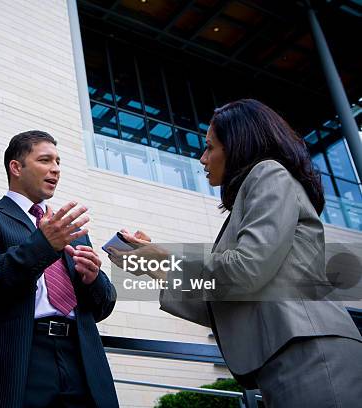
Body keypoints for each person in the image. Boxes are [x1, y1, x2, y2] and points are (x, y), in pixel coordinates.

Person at [113, 99, 362, 408]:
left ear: (238, 146)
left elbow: (245, 269)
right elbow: (226, 303)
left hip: (311, 353)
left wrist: (166, 258)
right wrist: (152, 266)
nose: (202, 159)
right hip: (290, 355)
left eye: (209, 147)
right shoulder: (258, 189)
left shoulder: (268, 173)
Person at [0, 131, 119, 408]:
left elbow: (103, 307)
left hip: (82, 355)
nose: (55, 169)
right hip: (19, 355)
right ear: (16, 167)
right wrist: (43, 244)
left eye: (58, 162)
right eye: (45, 160)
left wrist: (94, 279)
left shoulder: (70, 228)